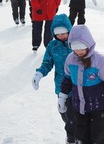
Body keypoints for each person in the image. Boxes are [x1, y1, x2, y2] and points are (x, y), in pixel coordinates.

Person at [58, 24, 104, 144]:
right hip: (79, 107)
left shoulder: (100, 61)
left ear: (89, 45)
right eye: (75, 48)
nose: (78, 51)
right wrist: (62, 96)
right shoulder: (70, 60)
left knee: (98, 137)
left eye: (81, 48)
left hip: (99, 108)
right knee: (81, 137)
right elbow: (67, 80)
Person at [32, 13, 75, 144]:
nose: (61, 36)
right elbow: (47, 63)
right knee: (65, 114)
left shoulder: (75, 44)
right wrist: (39, 74)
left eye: (64, 33)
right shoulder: (52, 46)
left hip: (77, 85)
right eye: (58, 33)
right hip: (61, 86)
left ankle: (73, 138)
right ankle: (72, 133)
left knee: (75, 116)